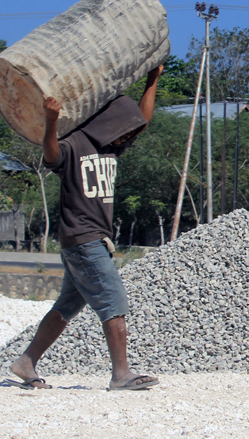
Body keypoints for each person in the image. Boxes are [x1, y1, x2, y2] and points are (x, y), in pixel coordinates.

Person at [9, 65, 164, 391]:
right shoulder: (74, 144)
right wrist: (51, 121)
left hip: (94, 239)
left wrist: (153, 80)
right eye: (124, 131)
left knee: (67, 306)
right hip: (83, 239)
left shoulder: (111, 144)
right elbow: (51, 156)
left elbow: (143, 120)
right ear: (108, 124)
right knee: (114, 299)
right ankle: (121, 374)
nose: (128, 137)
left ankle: (26, 362)